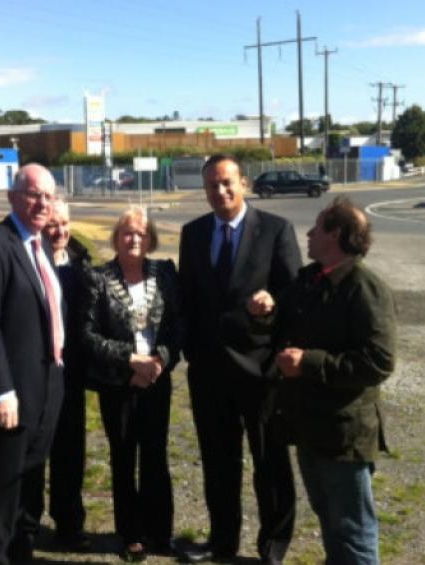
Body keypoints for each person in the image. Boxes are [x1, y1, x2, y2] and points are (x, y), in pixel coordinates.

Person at [246, 196, 397, 565]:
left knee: (354, 529)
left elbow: (379, 361)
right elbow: (281, 325)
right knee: (330, 520)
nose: (309, 234)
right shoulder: (310, 279)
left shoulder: (364, 287)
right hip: (310, 426)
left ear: (338, 235)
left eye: (317, 227)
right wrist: (264, 313)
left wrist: (309, 363)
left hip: (344, 433)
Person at [178, 154, 301, 564]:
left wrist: (274, 304)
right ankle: (221, 541)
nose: (220, 191)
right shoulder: (192, 233)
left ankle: (273, 546)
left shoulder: (275, 230)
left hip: (261, 370)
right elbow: (190, 299)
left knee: (270, 463)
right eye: (212, 185)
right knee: (218, 464)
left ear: (244, 183)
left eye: (227, 182)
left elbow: (294, 296)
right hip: (210, 371)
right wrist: (191, 352)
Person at [0, 163, 65, 565]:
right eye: (32, 194)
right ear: (12, 197)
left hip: (48, 385)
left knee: (30, 484)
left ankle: (21, 555)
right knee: (4, 487)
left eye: (48, 195)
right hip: (14, 393)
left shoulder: (42, 247)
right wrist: (2, 389)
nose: (41, 203)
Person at [81, 206, 181, 562]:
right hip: (117, 383)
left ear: (150, 239)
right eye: (126, 232)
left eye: (140, 233)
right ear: (116, 238)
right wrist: (129, 361)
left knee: (155, 457)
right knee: (123, 457)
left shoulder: (166, 273)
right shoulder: (98, 277)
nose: (133, 238)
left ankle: (160, 531)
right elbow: (87, 335)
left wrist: (158, 361)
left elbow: (175, 328)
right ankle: (131, 534)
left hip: (156, 379)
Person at [42, 199, 93, 551]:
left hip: (71, 374)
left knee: (70, 452)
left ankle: (68, 524)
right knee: (31, 454)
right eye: (51, 225)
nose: (59, 231)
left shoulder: (81, 262)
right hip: (34, 371)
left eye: (64, 223)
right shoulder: (27, 259)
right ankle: (23, 525)